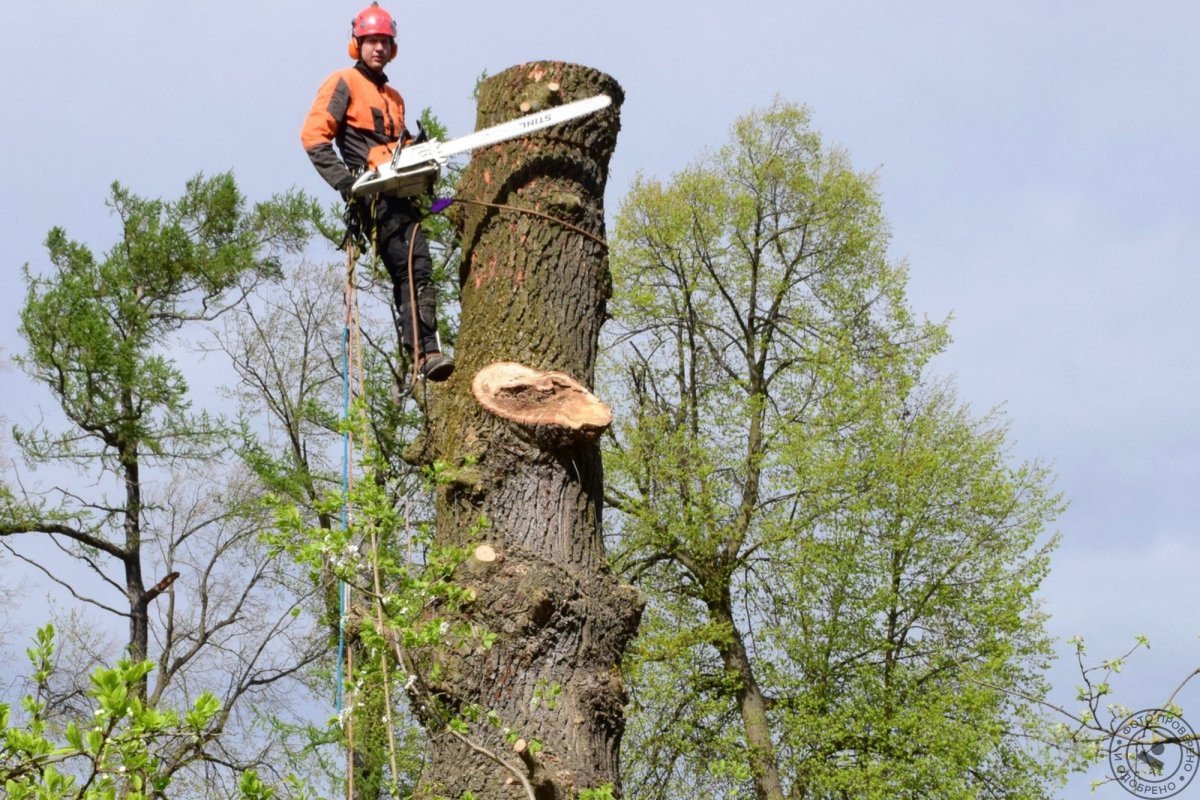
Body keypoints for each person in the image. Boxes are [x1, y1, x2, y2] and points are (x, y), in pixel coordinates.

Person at [301, 2, 454, 382]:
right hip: (375, 198)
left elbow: (397, 146)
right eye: (372, 41)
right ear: (357, 44)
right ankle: (424, 353)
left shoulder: (395, 97)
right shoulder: (343, 81)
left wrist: (421, 156)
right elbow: (313, 137)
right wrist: (348, 183)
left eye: (385, 41)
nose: (379, 48)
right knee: (412, 266)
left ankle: (426, 349)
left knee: (419, 267)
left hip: (403, 194)